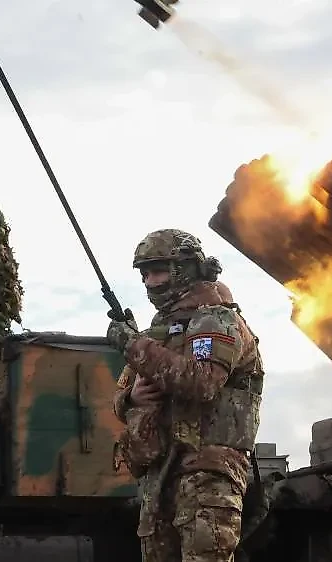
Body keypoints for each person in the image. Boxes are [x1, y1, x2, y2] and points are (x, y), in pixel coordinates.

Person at [108, 228, 265, 562]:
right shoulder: (159, 333)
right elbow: (121, 398)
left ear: (187, 268)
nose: (151, 282)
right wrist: (133, 398)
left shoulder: (217, 320)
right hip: (161, 474)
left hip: (207, 475)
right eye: (145, 274)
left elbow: (202, 382)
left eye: (159, 270)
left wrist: (132, 344)